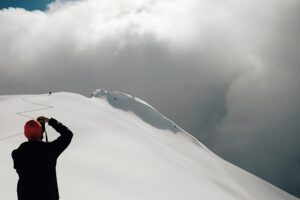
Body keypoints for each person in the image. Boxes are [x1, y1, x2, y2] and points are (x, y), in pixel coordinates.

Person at [12, 116, 73, 200]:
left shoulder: (17, 154)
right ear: (40, 133)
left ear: (25, 134)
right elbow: (68, 134)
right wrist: (50, 121)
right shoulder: (50, 150)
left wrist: (39, 132)